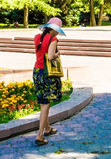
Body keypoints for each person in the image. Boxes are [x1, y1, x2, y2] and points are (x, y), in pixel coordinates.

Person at [33, 17, 66, 146]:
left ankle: (48, 128)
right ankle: (40, 135)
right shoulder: (53, 39)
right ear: (53, 29)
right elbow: (51, 56)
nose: (58, 33)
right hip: (47, 73)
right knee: (46, 104)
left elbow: (40, 53)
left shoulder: (37, 37)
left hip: (36, 71)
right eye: (57, 30)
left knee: (43, 102)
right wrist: (58, 54)